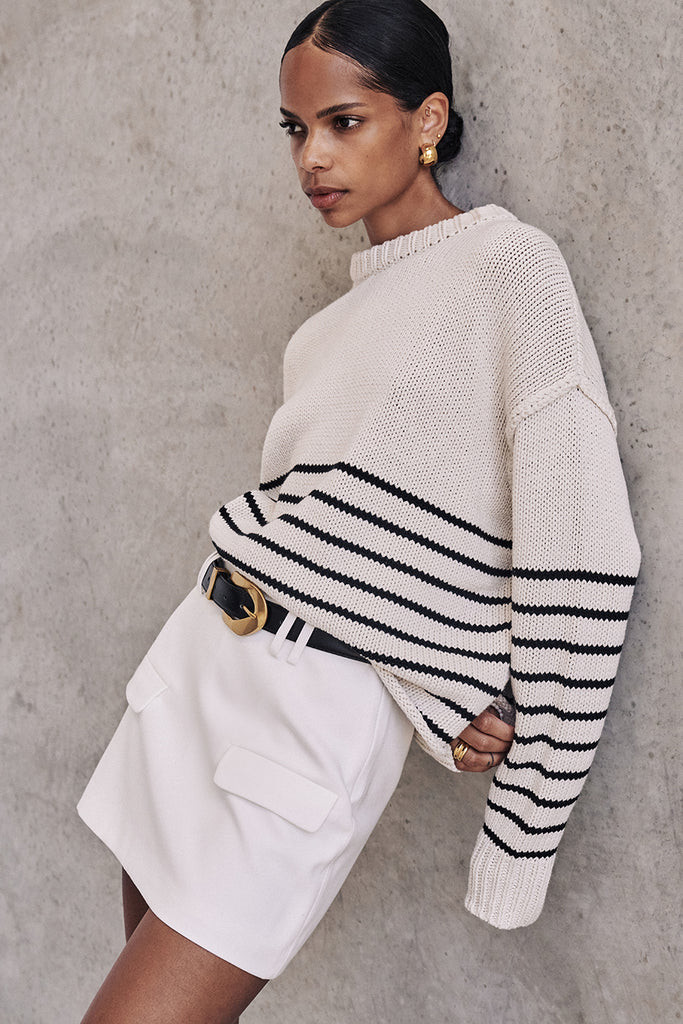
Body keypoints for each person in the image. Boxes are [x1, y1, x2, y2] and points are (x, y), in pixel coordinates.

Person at [77, 1, 641, 1020]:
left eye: (344, 122)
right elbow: (348, 543)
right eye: (296, 129)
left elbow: (582, 553)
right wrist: (439, 674)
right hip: (198, 674)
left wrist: (516, 816)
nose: (312, 158)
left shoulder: (510, 271)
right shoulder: (325, 332)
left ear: (427, 120)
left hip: (309, 727)